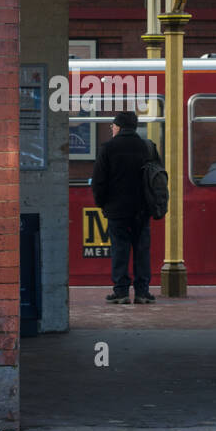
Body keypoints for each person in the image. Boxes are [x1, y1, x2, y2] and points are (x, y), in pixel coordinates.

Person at [90, 111, 160, 305]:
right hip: (142, 209)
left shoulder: (108, 148)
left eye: (112, 125)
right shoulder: (148, 147)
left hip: (116, 210)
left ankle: (120, 292)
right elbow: (158, 179)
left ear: (119, 126)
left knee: (120, 248)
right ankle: (142, 292)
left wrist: (102, 204)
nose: (111, 128)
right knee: (141, 249)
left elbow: (98, 182)